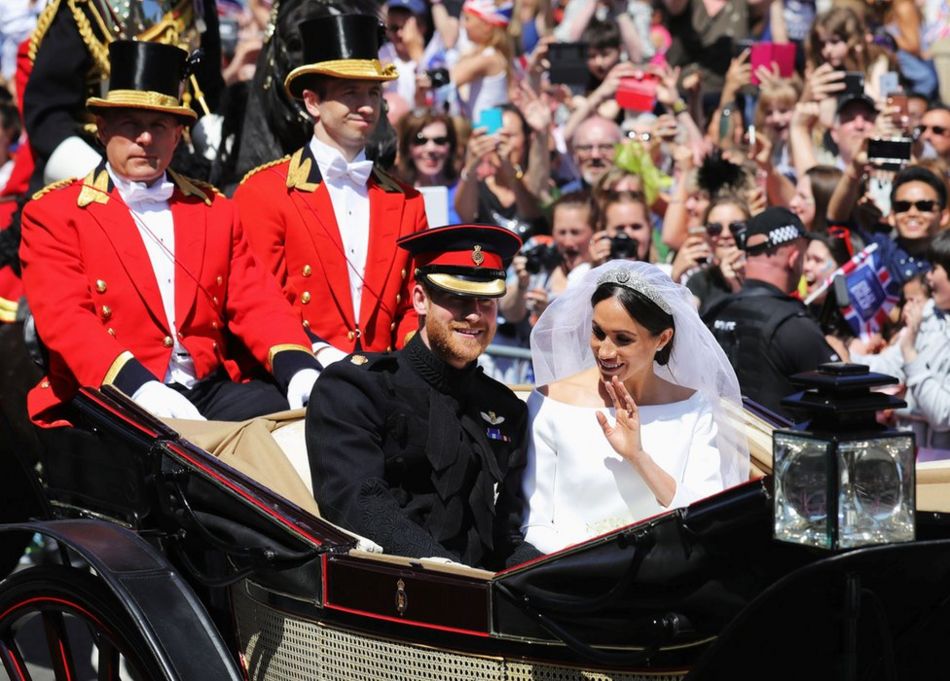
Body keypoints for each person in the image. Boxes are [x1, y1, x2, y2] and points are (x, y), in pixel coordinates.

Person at [19, 41, 320, 427]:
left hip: (209, 390)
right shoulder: (53, 213)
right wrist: (139, 387)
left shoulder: (213, 209)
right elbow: (66, 319)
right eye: (131, 125)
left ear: (178, 136)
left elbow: (256, 301)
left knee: (303, 428)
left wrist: (297, 367)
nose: (145, 139)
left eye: (159, 126)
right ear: (102, 130)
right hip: (108, 394)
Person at [307, 224, 538, 569]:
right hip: (390, 590)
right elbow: (360, 502)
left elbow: (506, 532)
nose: (474, 314)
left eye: (486, 301)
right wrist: (447, 571)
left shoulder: (504, 408)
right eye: (457, 298)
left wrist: (548, 577)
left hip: (485, 594)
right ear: (419, 299)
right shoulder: (357, 387)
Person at [234, 13, 429, 371]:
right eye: (350, 93)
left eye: (372, 92)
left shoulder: (407, 202)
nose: (367, 107)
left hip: (386, 381)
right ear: (312, 103)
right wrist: (316, 357)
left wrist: (409, 368)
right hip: (297, 376)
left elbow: (411, 308)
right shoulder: (263, 192)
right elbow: (261, 302)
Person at [521, 260, 748, 554]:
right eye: (598, 332)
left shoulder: (694, 408)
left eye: (623, 339)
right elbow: (535, 523)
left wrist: (638, 457)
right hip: (570, 577)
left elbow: (705, 517)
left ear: (663, 339)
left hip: (665, 576)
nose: (604, 351)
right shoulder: (551, 401)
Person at [21, 0, 221, 189]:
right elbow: (47, 111)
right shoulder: (82, 6)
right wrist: (100, 179)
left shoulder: (195, 4)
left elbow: (207, 93)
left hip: (175, 157)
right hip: (97, 154)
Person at [704, 207, 840, 418]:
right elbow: (840, 398)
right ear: (794, 258)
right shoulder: (793, 325)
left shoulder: (712, 312)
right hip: (776, 448)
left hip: (719, 446)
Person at [851, 231, 950, 450]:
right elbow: (889, 368)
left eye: (935, 269)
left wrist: (909, 353)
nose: (929, 278)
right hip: (912, 458)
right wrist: (845, 360)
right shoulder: (928, 313)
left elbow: (942, 414)